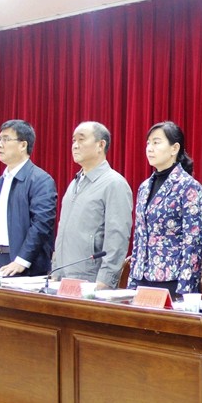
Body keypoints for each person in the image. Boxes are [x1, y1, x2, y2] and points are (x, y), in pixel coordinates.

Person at [128, 121, 202, 297]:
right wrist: (132, 280)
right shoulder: (144, 187)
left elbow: (194, 242)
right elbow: (139, 238)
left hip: (172, 280)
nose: (150, 148)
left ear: (174, 148)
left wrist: (185, 290)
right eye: (148, 143)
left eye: (156, 142)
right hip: (141, 277)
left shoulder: (189, 187)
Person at [51, 122, 133, 288]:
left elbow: (117, 237)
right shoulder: (75, 183)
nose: (75, 145)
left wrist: (105, 280)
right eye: (73, 140)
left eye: (81, 140)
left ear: (100, 145)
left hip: (91, 280)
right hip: (63, 277)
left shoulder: (114, 183)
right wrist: (56, 271)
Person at [0, 120, 58, 276]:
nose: (0, 144)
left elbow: (41, 225)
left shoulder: (41, 180)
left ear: (23, 145)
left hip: (25, 266)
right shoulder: (0, 182)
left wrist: (22, 260)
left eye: (6, 139)